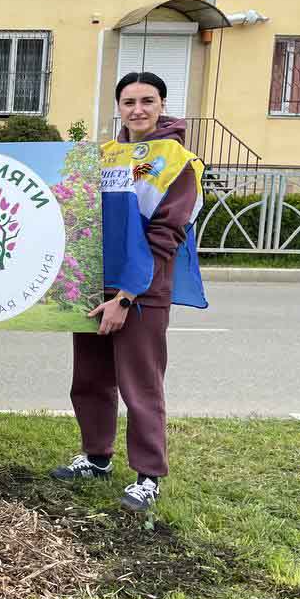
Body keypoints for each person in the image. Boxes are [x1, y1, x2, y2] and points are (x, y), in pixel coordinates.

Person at [51, 71, 206, 513]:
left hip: (141, 292)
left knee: (141, 383)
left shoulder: (179, 160)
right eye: (129, 101)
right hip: (93, 285)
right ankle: (96, 456)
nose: (138, 109)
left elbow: (165, 234)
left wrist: (125, 297)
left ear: (162, 105)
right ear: (117, 107)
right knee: (90, 379)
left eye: (147, 101)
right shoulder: (103, 155)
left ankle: (148, 475)